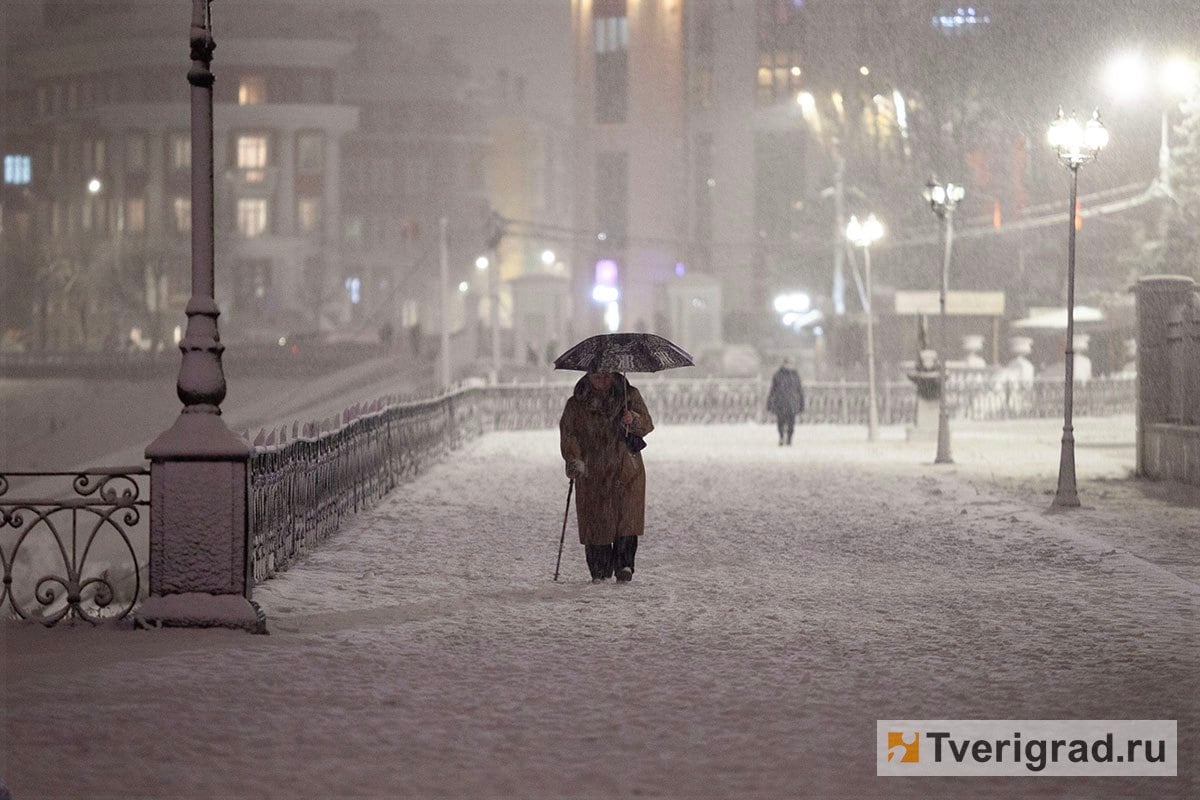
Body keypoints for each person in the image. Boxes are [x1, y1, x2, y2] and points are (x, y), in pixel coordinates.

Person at [559, 369, 654, 583]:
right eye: (596, 375)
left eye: (606, 375)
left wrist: (634, 420)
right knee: (596, 521)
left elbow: (647, 424)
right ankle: (600, 569)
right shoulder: (576, 404)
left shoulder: (629, 396)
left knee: (626, 518)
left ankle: (625, 564)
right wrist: (574, 459)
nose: (601, 379)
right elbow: (569, 435)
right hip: (593, 471)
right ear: (588, 376)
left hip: (626, 468)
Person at [766, 356, 805, 446]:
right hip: (781, 402)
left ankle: (789, 439)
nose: (789, 365)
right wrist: (770, 402)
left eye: (791, 363)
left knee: (791, 423)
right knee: (780, 422)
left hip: (792, 403)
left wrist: (801, 403)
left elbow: (800, 391)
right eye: (788, 363)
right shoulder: (778, 375)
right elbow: (773, 390)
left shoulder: (795, 376)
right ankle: (781, 437)